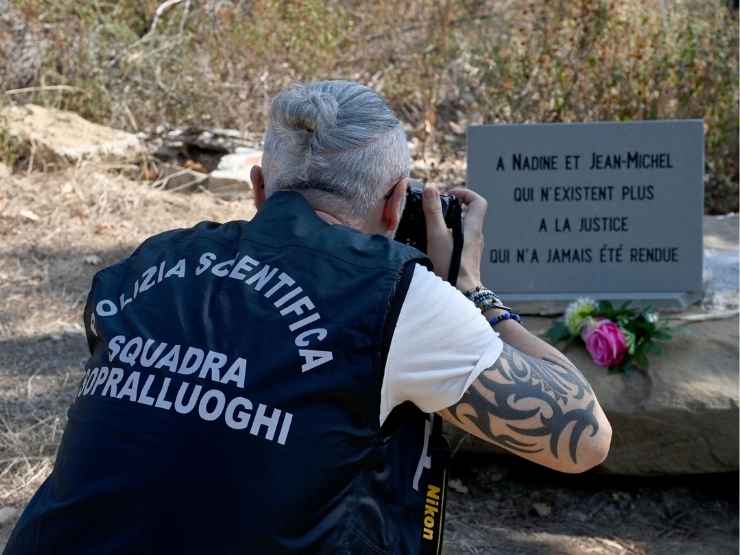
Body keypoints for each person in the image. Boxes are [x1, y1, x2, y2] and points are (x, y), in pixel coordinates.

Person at [4, 80, 611, 555]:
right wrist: (474, 291)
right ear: (397, 200)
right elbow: (583, 438)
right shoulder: (394, 294)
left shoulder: (146, 265)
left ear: (260, 188)